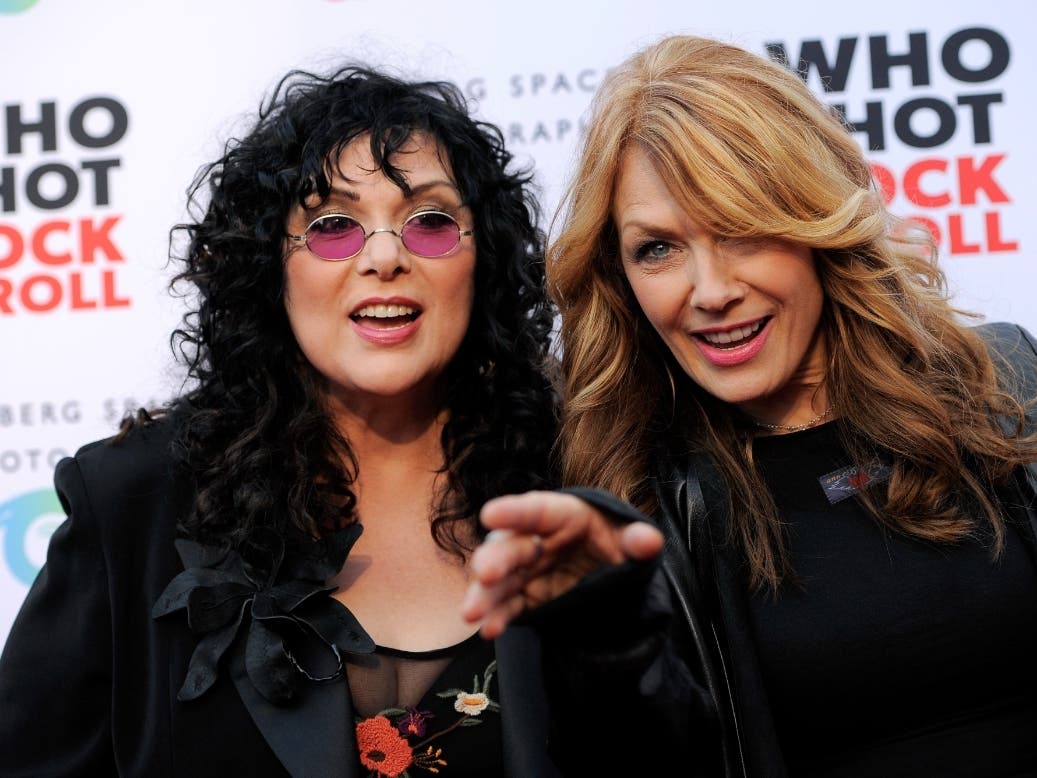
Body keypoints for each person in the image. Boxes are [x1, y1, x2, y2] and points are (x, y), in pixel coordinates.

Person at [461, 34, 1037, 777]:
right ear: (619, 273)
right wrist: (604, 637)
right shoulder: (630, 495)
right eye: (657, 249)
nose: (709, 291)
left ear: (814, 222)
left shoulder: (1007, 382)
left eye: (738, 229)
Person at [0, 64, 563, 778]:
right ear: (271, 265)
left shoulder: (580, 480)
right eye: (332, 226)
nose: (385, 256)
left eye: (430, 222)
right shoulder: (131, 503)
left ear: (482, 258)